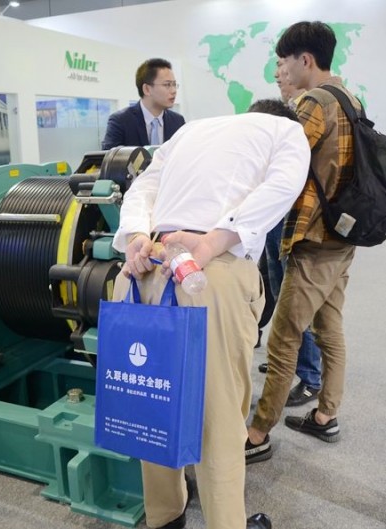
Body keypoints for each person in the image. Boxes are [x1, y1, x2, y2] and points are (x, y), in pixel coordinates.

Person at [112, 98, 310, 529]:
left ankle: (165, 517)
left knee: (153, 401)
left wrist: (136, 236)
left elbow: (142, 188)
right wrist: (216, 240)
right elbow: (282, 186)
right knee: (218, 418)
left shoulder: (189, 131)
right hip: (204, 275)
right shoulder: (287, 131)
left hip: (143, 266)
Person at [245, 21, 360, 464]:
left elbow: (278, 161)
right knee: (329, 329)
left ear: (305, 60)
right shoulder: (350, 98)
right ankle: (325, 415)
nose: (282, 71)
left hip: (313, 240)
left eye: (285, 62)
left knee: (283, 340)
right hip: (342, 237)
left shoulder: (315, 103)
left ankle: (257, 432)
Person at [257, 61, 324, 411]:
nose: (279, 78)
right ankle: (288, 363)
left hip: (293, 219)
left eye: (283, 70)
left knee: (296, 302)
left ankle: (310, 376)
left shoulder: (307, 114)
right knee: (278, 292)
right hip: (275, 217)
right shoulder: (292, 112)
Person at [101, 58, 185, 149]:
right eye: (167, 85)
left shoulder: (178, 122)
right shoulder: (121, 121)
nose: (174, 91)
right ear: (147, 89)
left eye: (174, 84)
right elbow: (108, 157)